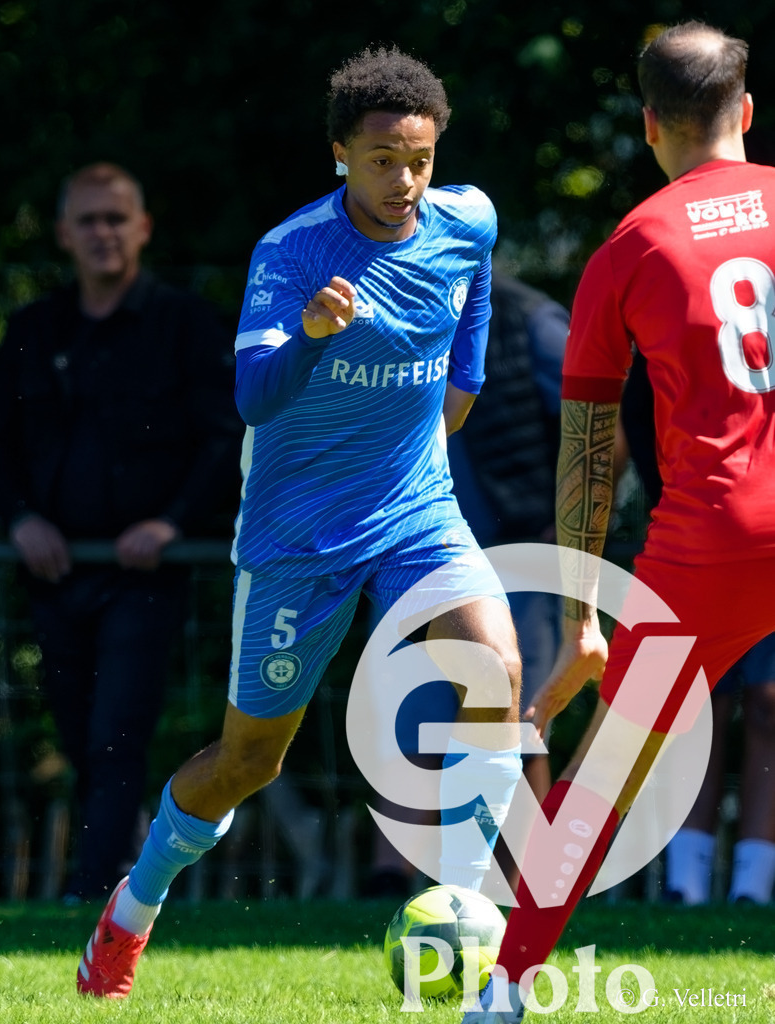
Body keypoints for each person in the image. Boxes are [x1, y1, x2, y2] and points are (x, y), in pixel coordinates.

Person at [76, 47, 524, 999]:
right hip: (298, 537)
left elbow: (472, 309)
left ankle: (465, 915)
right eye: (381, 161)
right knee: (248, 761)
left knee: (495, 667)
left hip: (415, 513)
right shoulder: (292, 253)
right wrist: (314, 339)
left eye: (419, 160)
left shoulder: (468, 220)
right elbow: (253, 396)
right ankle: (132, 909)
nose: (403, 181)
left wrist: (462, 386)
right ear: (339, 155)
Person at [465, 21, 775, 1023]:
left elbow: (587, 455)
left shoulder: (630, 247)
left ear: (647, 125)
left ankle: (503, 992)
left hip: (711, 541)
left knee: (601, 781)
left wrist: (582, 617)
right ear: (747, 110)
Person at [0, 162, 241, 903]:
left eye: (116, 219)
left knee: (117, 732)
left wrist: (171, 522)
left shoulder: (184, 325)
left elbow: (226, 437)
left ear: (143, 229)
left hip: (145, 574)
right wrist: (21, 519)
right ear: (63, 234)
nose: (103, 233)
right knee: (76, 733)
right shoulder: (33, 330)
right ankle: (110, 875)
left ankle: (96, 892)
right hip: (56, 572)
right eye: (87, 220)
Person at [365, 273, 567, 898]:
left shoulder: (531, 319)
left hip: (515, 554)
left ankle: (524, 885)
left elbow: (596, 426)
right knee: (411, 718)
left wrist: (562, 521)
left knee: (518, 720)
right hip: (409, 549)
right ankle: (391, 879)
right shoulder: (387, 307)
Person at [622, 351, 775, 906]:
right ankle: (685, 881)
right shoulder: (678, 322)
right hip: (691, 538)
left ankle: (752, 886)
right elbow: (636, 411)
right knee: (695, 707)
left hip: (768, 540)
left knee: (769, 703)